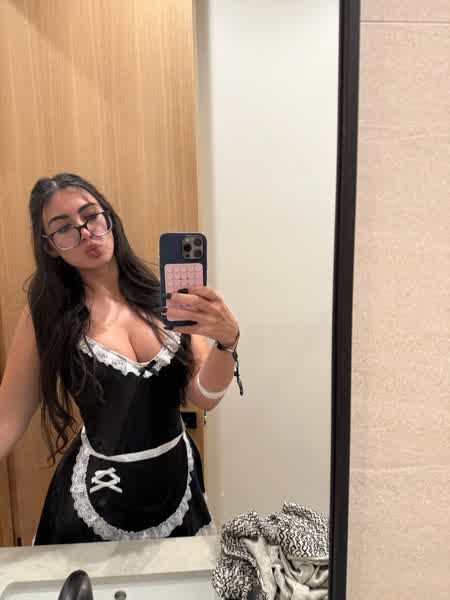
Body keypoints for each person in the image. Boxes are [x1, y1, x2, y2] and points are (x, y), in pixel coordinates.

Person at [0, 173, 242, 544]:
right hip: (96, 496)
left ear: (108, 217)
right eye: (64, 228)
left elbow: (204, 397)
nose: (85, 233)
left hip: (177, 485)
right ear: (50, 246)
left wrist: (226, 341)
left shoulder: (169, 297)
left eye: (90, 216)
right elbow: (7, 420)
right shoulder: (47, 312)